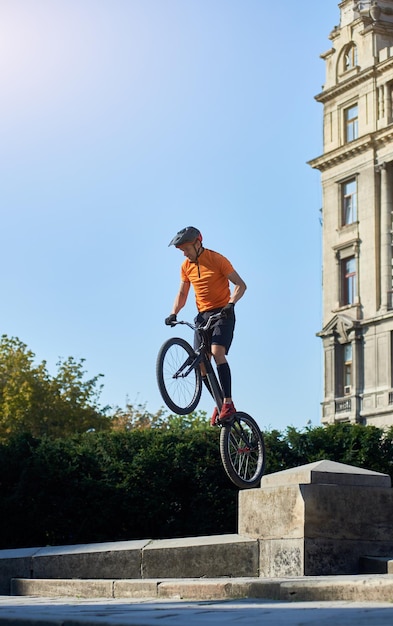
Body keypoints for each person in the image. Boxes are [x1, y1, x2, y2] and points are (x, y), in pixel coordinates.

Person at [165, 226, 247, 423]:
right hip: (202, 315)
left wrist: (231, 304)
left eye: (186, 249)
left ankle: (228, 402)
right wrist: (173, 313)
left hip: (223, 312)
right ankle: (219, 404)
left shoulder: (217, 259)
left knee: (217, 352)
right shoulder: (186, 267)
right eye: (181, 250)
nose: (184, 253)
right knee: (200, 362)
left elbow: (240, 285)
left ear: (197, 243)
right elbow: (183, 293)